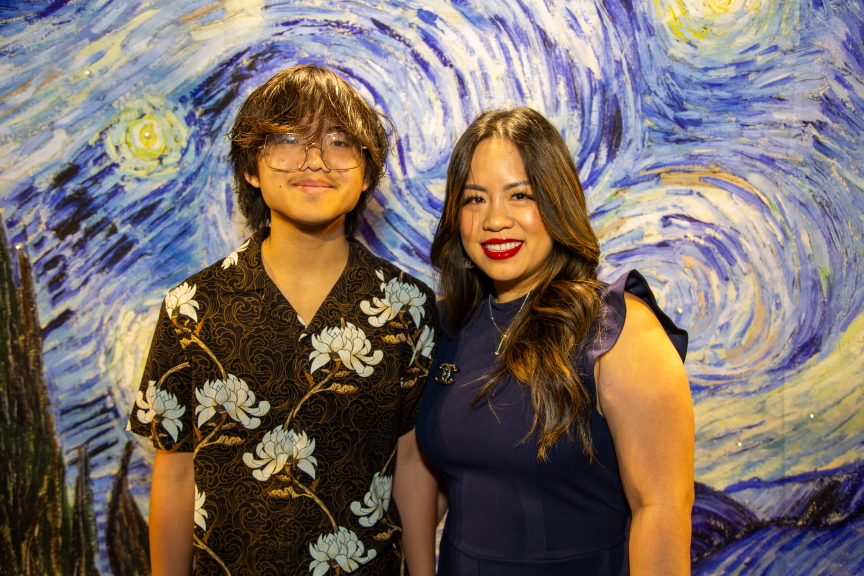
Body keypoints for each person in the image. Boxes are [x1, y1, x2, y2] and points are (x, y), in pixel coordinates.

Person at [127, 65, 439, 576]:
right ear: (251, 168)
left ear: (366, 173)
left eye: (339, 142)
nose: (314, 160)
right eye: (289, 139)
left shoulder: (407, 307)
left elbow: (410, 462)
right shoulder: (191, 308)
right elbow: (177, 474)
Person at [414, 108, 694, 575]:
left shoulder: (618, 328)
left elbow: (662, 507)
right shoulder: (448, 325)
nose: (494, 220)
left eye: (520, 195)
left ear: (557, 201)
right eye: (475, 199)